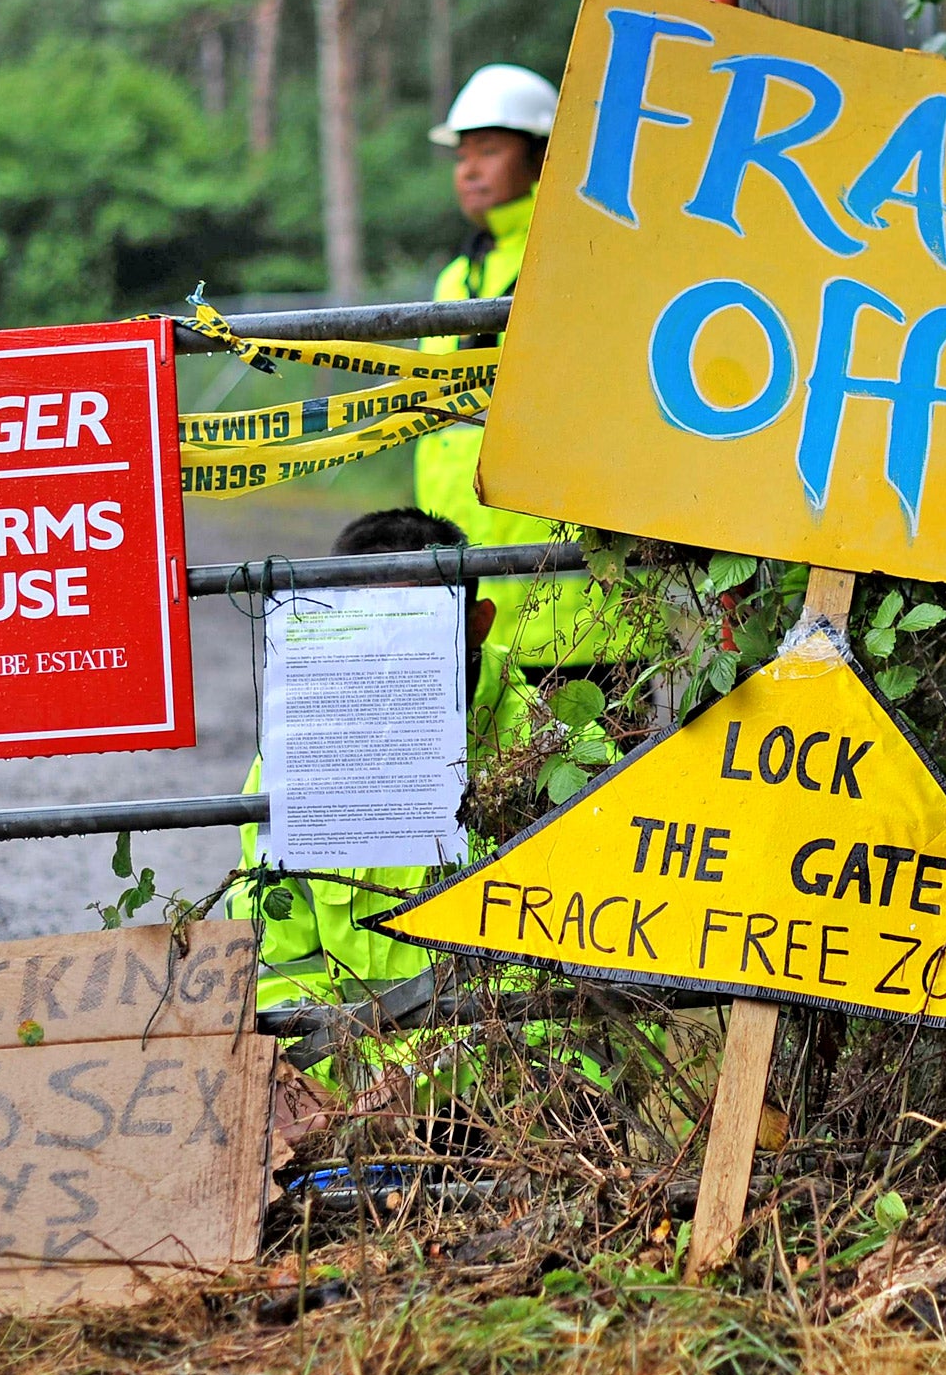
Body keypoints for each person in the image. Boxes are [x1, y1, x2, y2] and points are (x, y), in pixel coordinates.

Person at [222, 508, 533, 1011]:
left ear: (478, 625)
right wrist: (331, 1082)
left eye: (413, 628)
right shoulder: (294, 757)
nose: (388, 654)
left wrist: (432, 1080)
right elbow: (277, 969)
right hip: (342, 1080)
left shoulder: (551, 750)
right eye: (367, 627)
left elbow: (583, 983)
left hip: (508, 1078)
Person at [415, 64, 636, 681]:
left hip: (572, 602)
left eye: (489, 150)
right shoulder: (454, 278)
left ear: (542, 158)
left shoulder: (581, 255)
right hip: (474, 591)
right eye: (462, 156)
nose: (469, 170)